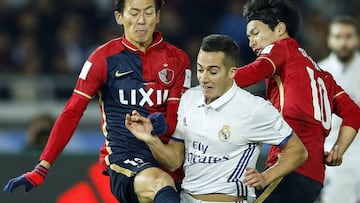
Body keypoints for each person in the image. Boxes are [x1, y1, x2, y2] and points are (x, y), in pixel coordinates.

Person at [3, 0, 191, 203]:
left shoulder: (178, 59)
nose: (141, 20)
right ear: (119, 17)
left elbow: (176, 118)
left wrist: (161, 124)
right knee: (159, 182)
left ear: (158, 16)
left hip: (166, 156)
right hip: (124, 159)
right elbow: (72, 112)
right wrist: (42, 166)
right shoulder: (102, 59)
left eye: (148, 13)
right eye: (134, 13)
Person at [125, 34, 308, 203]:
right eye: (200, 70)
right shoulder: (189, 99)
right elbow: (173, 161)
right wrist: (150, 139)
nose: (204, 78)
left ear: (232, 72)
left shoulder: (254, 109)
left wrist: (266, 177)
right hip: (185, 198)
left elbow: (298, 151)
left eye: (213, 72)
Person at [233, 0, 360, 202]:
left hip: (288, 165)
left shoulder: (281, 48)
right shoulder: (323, 75)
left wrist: (212, 79)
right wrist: (338, 150)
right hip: (315, 177)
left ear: (280, 28)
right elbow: (354, 112)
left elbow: (253, 72)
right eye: (249, 37)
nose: (251, 43)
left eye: (256, 33)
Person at [318, 15, 360, 203]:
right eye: (338, 36)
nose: (343, 42)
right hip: (334, 153)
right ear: (329, 39)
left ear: (357, 38)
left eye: (348, 36)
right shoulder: (319, 72)